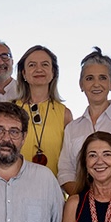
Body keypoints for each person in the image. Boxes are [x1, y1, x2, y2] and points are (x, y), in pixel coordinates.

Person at [58, 47, 111, 195]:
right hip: (85, 206)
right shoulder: (72, 128)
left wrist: (106, 198)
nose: (96, 84)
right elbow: (66, 171)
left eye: (103, 78)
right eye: (89, 78)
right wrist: (87, 199)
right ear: (81, 85)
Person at [14, 45, 73, 176]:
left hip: (52, 190)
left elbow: (70, 160)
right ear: (23, 73)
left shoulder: (65, 114)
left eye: (45, 64)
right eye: (32, 65)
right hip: (15, 190)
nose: (38, 69)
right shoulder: (10, 110)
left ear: (53, 72)